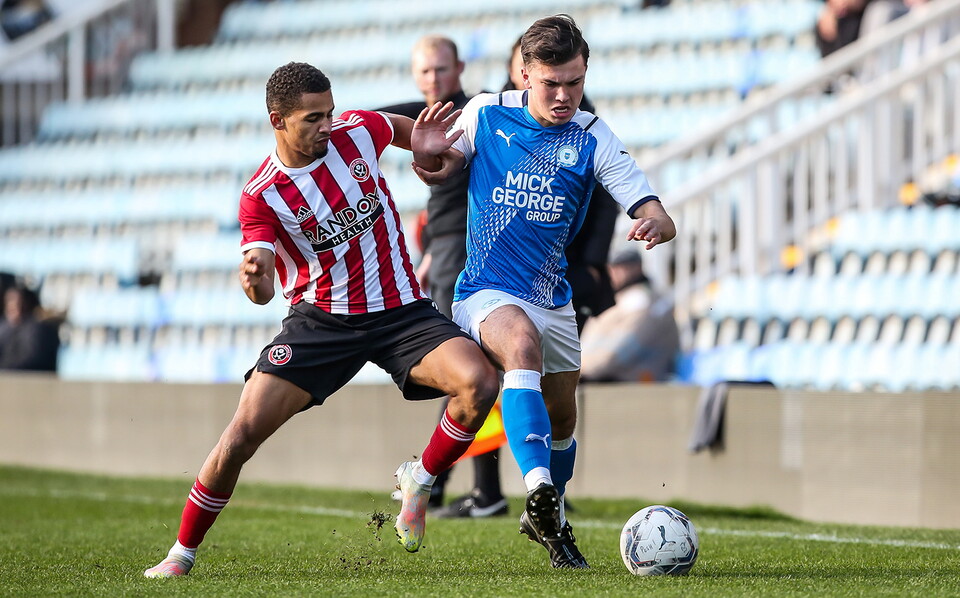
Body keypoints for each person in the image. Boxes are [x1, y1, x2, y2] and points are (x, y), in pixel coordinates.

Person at [143, 61, 500, 578]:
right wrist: (255, 280)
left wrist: (416, 140)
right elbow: (263, 284)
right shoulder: (262, 194)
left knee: (480, 382)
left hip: (402, 311)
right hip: (322, 322)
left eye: (329, 113)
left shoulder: (356, 131)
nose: (326, 127)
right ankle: (181, 553)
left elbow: (393, 126)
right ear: (278, 120)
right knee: (242, 434)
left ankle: (419, 479)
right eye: (312, 119)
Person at [414, 15, 676, 569]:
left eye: (574, 83)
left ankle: (551, 520)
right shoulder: (488, 111)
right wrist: (433, 161)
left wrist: (657, 219)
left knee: (562, 417)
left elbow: (645, 199)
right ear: (525, 73)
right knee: (521, 349)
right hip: (485, 288)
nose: (562, 96)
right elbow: (447, 162)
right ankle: (539, 495)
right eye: (551, 83)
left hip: (551, 295)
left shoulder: (592, 135)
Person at [376, 36, 508, 519]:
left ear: (460, 69)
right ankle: (477, 488)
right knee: (475, 373)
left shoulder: (474, 112)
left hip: (472, 246)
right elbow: (356, 120)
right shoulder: (422, 113)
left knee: (476, 373)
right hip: (449, 252)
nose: (433, 79)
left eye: (441, 70)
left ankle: (468, 486)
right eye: (425, 72)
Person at [579, 249, 680, 383]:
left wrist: (578, 372)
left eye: (620, 267)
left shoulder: (642, 301)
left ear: (637, 268)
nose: (612, 272)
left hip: (636, 385)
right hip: (609, 380)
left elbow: (619, 352)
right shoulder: (620, 298)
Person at [0, 283, 60, 372]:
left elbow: (32, 360)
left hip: (31, 380)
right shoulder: (4, 327)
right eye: (9, 302)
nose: (13, 306)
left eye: (18, 302)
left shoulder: (38, 329)